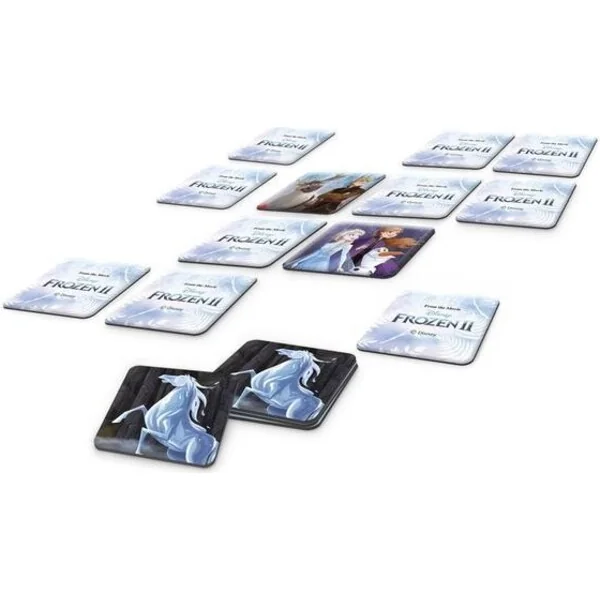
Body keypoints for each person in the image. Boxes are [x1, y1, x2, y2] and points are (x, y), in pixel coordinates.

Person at [287, 228, 366, 272]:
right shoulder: (330, 239)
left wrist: (339, 267)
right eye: (352, 235)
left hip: (322, 262)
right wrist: (298, 261)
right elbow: (318, 251)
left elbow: (343, 256)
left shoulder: (346, 245)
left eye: (354, 237)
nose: (352, 237)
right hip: (313, 258)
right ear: (346, 233)